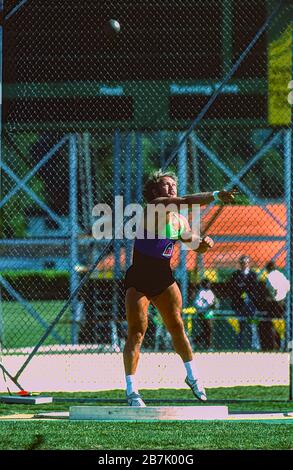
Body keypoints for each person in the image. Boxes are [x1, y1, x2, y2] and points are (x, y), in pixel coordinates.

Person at [123, 169, 237, 406]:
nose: (171, 188)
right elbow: (185, 201)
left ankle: (193, 376)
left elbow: (194, 245)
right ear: (156, 191)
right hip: (140, 278)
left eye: (173, 184)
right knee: (137, 331)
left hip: (164, 278)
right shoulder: (156, 205)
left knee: (177, 327)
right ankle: (132, 391)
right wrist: (216, 194)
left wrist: (205, 244)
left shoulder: (179, 220)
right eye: (166, 185)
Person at [228, 255, 260, 350]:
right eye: (242, 263)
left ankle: (254, 346)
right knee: (240, 326)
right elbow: (234, 288)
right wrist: (243, 287)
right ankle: (239, 346)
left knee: (252, 326)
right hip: (239, 304)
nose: (244, 265)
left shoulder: (253, 274)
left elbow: (253, 288)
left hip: (251, 304)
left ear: (248, 263)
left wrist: (243, 286)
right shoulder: (235, 275)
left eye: (245, 263)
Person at [259, 260, 290, 350]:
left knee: (273, 324)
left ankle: (276, 345)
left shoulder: (272, 276)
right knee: (278, 325)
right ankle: (279, 345)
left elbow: (271, 291)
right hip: (280, 303)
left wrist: (274, 297)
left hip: (275, 304)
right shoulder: (279, 275)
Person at [192, 279, 218, 351]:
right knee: (208, 329)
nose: (208, 285)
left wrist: (214, 305)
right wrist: (206, 307)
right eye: (207, 284)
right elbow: (196, 304)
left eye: (209, 284)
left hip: (209, 313)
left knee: (208, 330)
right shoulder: (201, 292)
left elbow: (213, 302)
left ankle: (205, 345)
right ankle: (205, 344)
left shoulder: (210, 292)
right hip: (202, 313)